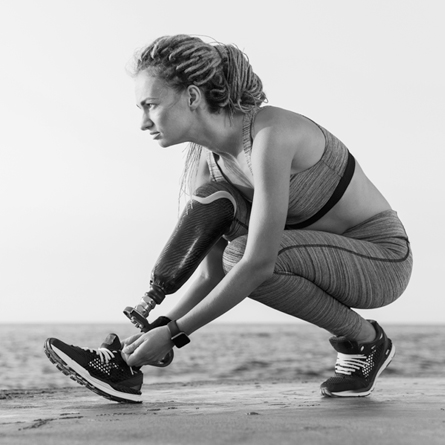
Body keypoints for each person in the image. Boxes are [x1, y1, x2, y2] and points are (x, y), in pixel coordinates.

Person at [44, 34, 413, 403]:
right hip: (312, 258)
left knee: (242, 255)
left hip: (381, 261)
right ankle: (125, 365)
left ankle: (367, 342)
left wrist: (174, 334)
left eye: (150, 105)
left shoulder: (271, 134)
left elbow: (257, 263)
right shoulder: (207, 168)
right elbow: (211, 272)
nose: (143, 122)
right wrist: (157, 332)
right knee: (224, 236)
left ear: (191, 97)